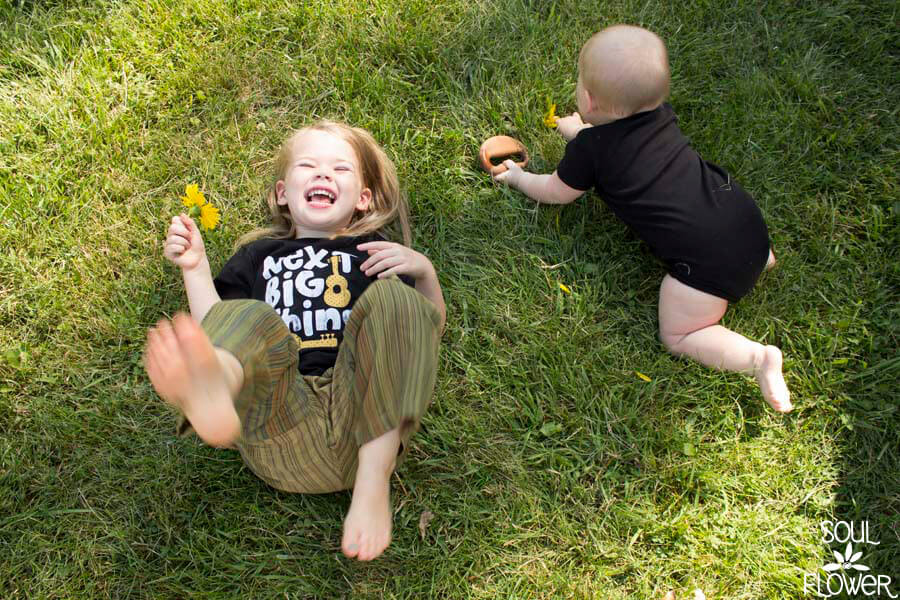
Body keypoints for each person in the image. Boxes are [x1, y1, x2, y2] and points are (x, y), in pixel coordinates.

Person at [144, 121, 446, 561]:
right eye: (309, 165)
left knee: (399, 302)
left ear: (362, 199)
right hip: (281, 423)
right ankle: (217, 390)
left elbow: (423, 330)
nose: (323, 174)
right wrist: (195, 266)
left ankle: (373, 481)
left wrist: (423, 272)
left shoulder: (374, 252)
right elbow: (219, 325)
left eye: (340, 169)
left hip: (364, 419)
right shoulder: (258, 257)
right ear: (283, 193)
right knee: (252, 321)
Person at [494, 24, 791, 412]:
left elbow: (557, 192)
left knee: (680, 334)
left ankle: (757, 358)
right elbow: (620, 141)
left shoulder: (592, 151)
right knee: (724, 225)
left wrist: (518, 178)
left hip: (709, 267)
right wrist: (580, 134)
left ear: (588, 98)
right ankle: (760, 262)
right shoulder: (660, 116)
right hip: (747, 225)